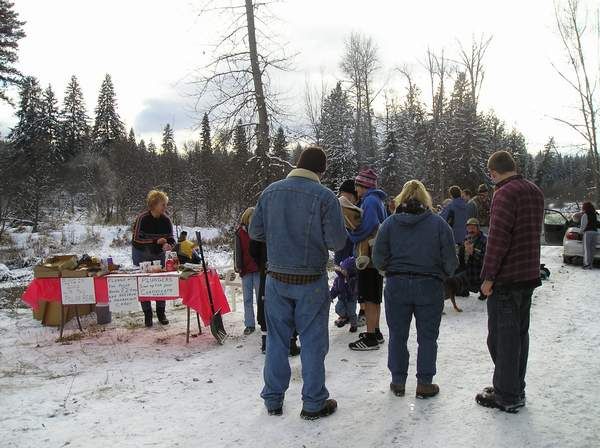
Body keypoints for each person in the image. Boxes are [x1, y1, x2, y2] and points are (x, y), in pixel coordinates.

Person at [249, 146, 347, 420]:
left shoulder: (271, 192)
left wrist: (280, 234)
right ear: (321, 171)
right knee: (314, 343)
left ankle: (273, 399)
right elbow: (337, 242)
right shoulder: (326, 197)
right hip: (310, 281)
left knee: (277, 341)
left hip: (277, 279)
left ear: (298, 163)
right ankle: (313, 403)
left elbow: (255, 231)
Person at [372, 180, 457, 398]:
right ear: (425, 199)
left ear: (402, 198)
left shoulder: (389, 224)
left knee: (398, 335)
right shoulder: (438, 225)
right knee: (427, 337)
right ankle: (424, 383)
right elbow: (450, 261)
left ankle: (398, 381)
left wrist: (389, 270)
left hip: (397, 285)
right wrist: (442, 275)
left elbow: (378, 258)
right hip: (429, 285)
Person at [476, 151, 544, 414]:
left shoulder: (504, 194)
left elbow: (498, 239)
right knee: (518, 336)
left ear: (493, 173)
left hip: (506, 278)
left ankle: (507, 395)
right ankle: (514, 386)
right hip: (528, 274)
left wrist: (488, 277)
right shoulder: (534, 191)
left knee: (501, 339)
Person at [347, 168, 387, 351]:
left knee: (369, 297)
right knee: (375, 295)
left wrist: (353, 234)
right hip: (376, 256)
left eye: (357, 184)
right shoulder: (377, 200)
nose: (356, 189)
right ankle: (376, 330)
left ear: (364, 185)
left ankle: (370, 337)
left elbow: (369, 225)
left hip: (368, 256)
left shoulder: (370, 201)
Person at [132, 189, 176, 327]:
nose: (165, 207)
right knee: (144, 283)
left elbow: (172, 239)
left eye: (165, 204)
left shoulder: (166, 220)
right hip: (141, 253)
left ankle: (161, 312)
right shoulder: (142, 218)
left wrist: (169, 246)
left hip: (159, 255)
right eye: (163, 204)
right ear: (154, 204)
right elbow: (136, 239)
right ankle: (147, 314)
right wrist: (154, 242)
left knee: (160, 282)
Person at [235, 207, 260, 335]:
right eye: (251, 217)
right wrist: (238, 266)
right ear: (246, 218)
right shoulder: (240, 232)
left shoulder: (259, 231)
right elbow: (238, 251)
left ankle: (263, 321)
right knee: (247, 299)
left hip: (258, 269)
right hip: (246, 269)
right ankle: (249, 324)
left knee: (261, 298)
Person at [455, 218, 487, 299]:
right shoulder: (467, 238)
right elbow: (462, 259)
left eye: (473, 228)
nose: (470, 230)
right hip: (468, 271)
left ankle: (482, 291)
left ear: (478, 228)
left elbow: (486, 261)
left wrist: (473, 252)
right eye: (469, 228)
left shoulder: (485, 240)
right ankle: (464, 289)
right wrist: (461, 250)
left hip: (479, 273)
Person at [330, 256, 358, 332]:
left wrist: (349, 281)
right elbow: (335, 289)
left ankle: (354, 325)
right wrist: (331, 295)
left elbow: (355, 290)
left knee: (352, 312)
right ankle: (344, 317)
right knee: (338, 309)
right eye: (342, 269)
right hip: (341, 299)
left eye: (345, 269)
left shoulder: (354, 280)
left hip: (351, 300)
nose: (342, 271)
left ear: (351, 270)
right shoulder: (339, 279)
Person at [580, 201, 598, 269]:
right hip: (595, 232)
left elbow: (583, 226)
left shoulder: (585, 215)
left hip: (587, 233)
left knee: (586, 249)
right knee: (592, 249)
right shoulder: (595, 214)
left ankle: (587, 264)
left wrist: (580, 233)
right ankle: (590, 264)